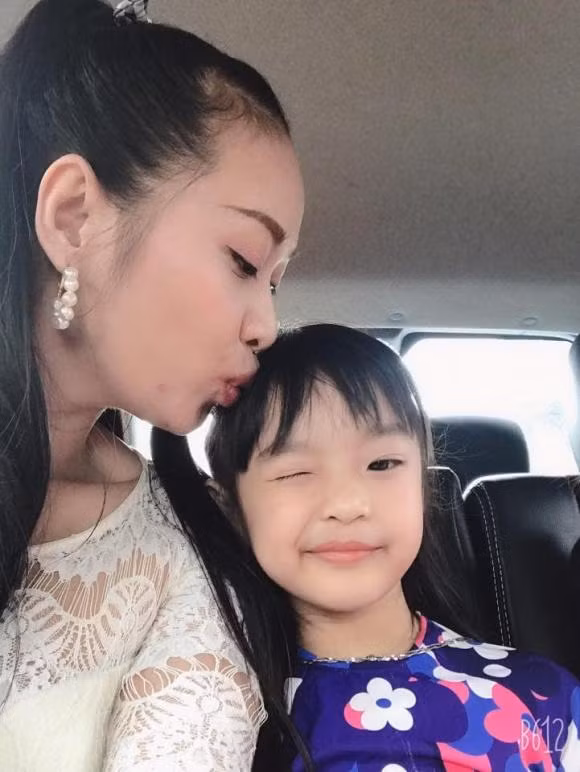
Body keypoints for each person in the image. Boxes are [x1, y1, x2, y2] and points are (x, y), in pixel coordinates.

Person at [0, 0, 304, 768]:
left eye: (275, 282)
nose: (267, 325)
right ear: (74, 217)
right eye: (244, 261)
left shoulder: (183, 553)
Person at [206, 323, 580, 771]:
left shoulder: (540, 697)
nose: (348, 505)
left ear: (422, 486)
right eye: (295, 472)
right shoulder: (207, 712)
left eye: (383, 463)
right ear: (231, 509)